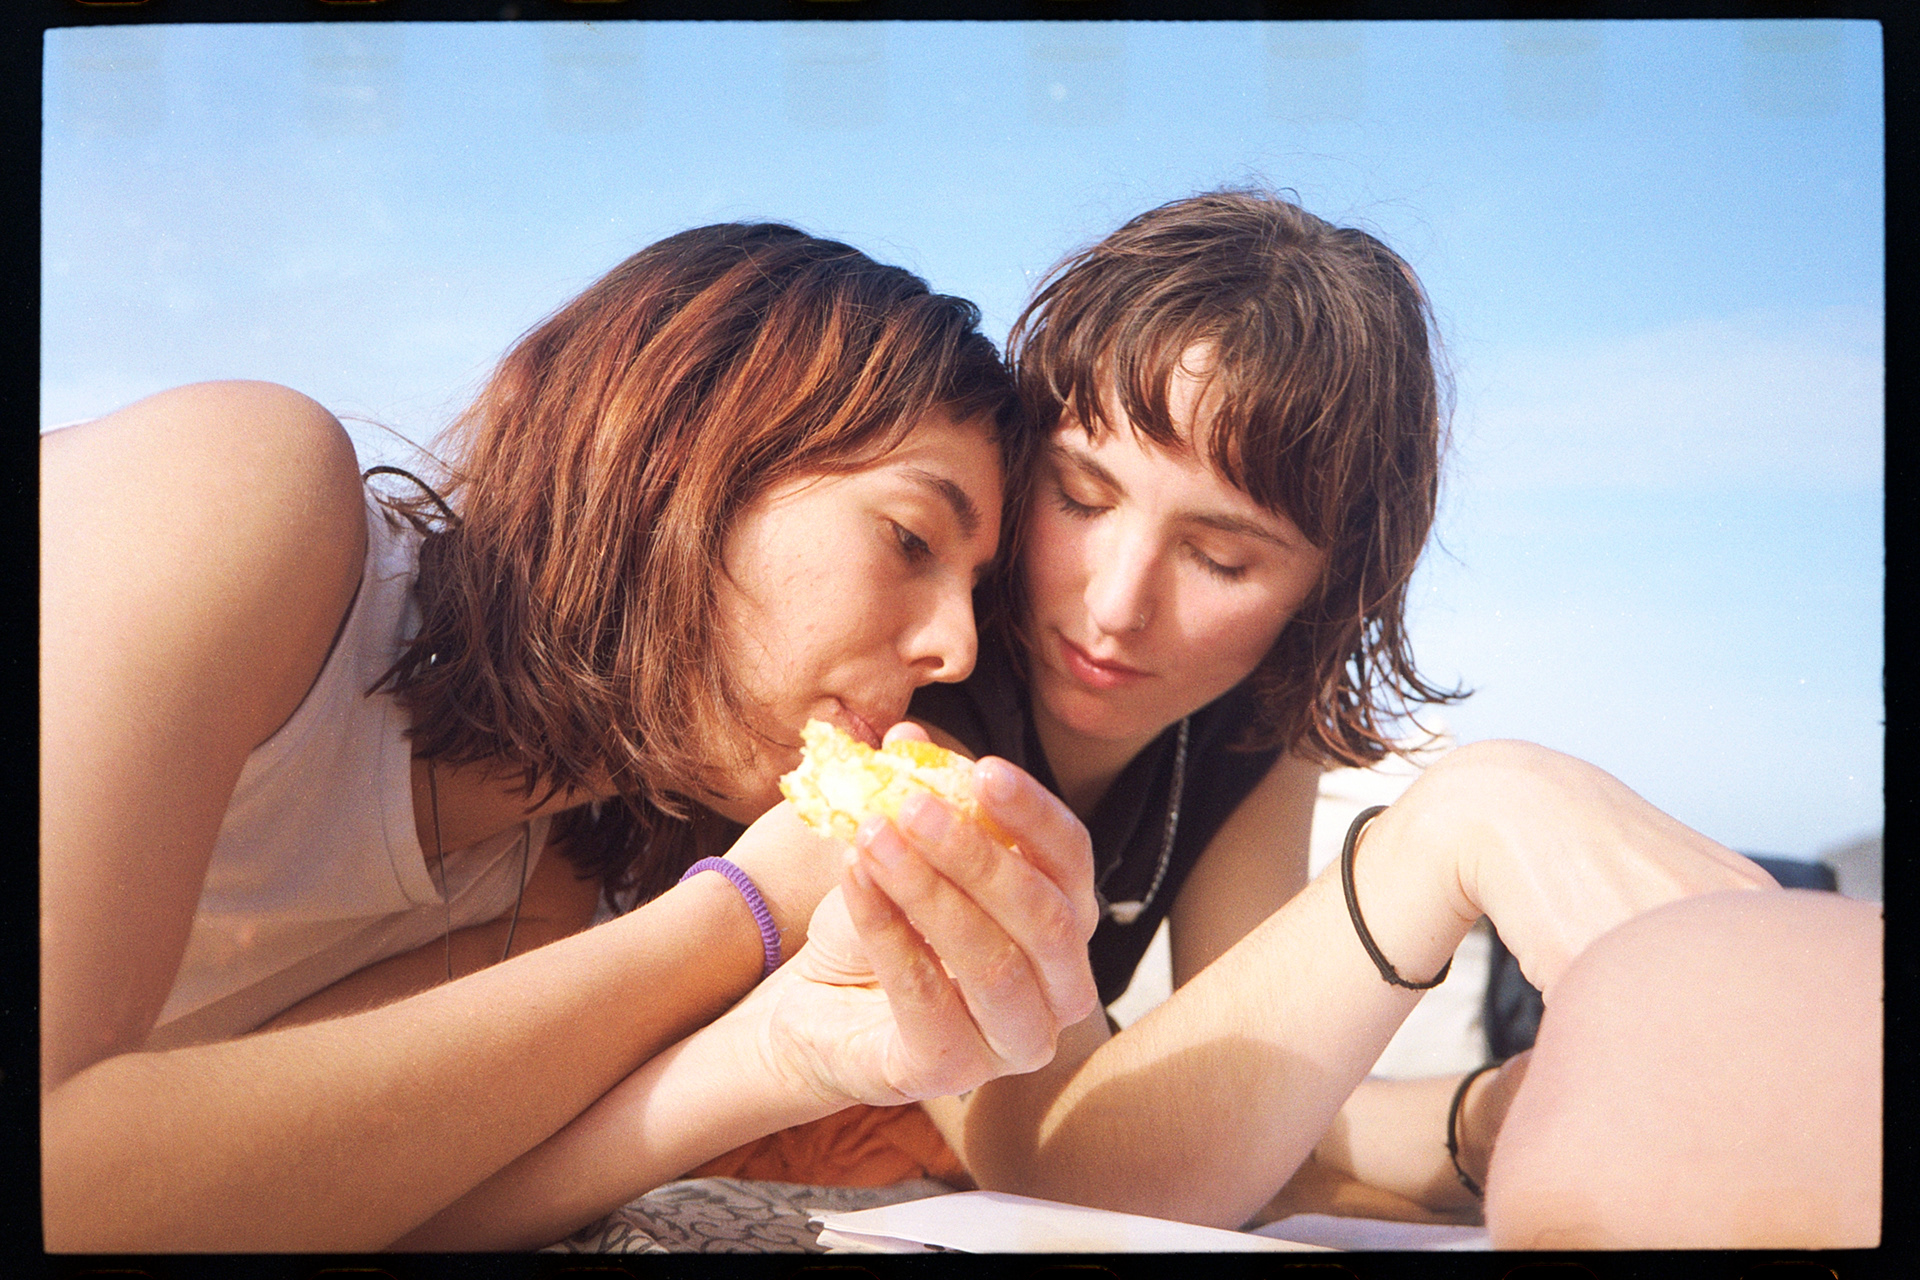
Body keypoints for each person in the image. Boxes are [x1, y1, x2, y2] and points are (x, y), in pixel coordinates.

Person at [684, 189, 1875, 1248]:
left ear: (1324, 593)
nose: (1116, 603)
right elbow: (1057, 1155)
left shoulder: (1251, 719)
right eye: (1081, 495)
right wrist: (1464, 819)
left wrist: (1490, 1114)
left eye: (1221, 557)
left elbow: (1247, 1099)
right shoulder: (925, 697)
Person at [39, 222, 1101, 1252]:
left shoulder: (538, 895)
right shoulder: (238, 485)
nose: (956, 648)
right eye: (910, 538)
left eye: (973, 592)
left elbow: (336, 1201)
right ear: (681, 452)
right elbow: (56, 1171)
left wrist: (784, 1053)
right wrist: (742, 912)